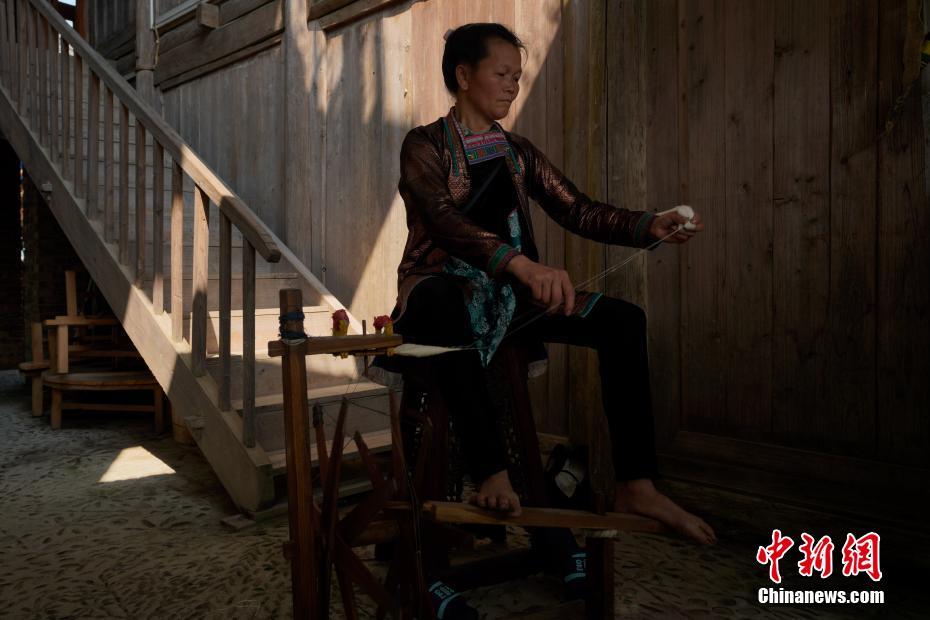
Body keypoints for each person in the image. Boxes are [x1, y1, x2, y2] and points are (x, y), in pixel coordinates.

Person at [386, 21, 716, 598]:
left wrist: (648, 225)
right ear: (463, 76)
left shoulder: (517, 153)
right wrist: (519, 264)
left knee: (623, 321)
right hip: (438, 295)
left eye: (518, 76)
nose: (512, 85)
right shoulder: (424, 145)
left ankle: (637, 484)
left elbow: (579, 210)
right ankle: (491, 471)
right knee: (443, 301)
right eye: (502, 74)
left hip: (506, 300)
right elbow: (443, 220)